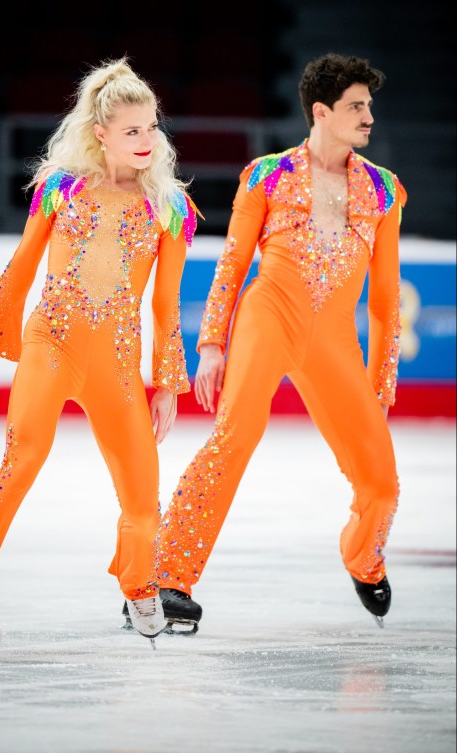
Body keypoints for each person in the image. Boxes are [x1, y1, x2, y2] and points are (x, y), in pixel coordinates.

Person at [0, 57, 201, 658]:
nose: (148, 141)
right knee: (19, 464)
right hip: (51, 344)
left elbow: (167, 305)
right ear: (100, 134)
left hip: (118, 365)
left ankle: (137, 584)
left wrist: (169, 381)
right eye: (133, 131)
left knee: (143, 497)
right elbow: (21, 269)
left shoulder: (170, 209)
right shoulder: (61, 188)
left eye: (153, 128)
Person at [155, 52, 407, 629]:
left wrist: (381, 383)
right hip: (269, 315)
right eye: (357, 106)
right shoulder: (266, 173)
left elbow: (387, 301)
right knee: (235, 438)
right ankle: (166, 576)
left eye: (370, 105)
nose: (370, 117)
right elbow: (234, 261)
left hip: (336, 340)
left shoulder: (386, 191)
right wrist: (212, 343)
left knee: (382, 482)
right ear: (322, 111)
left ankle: (363, 559)